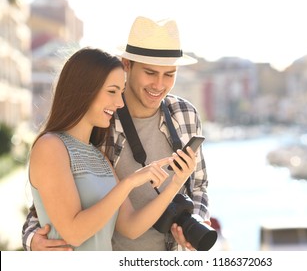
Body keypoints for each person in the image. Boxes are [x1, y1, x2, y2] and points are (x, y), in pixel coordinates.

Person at [22, 16, 211, 251]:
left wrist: (195, 219)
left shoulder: (185, 114)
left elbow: (199, 186)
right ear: (127, 65)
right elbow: (50, 198)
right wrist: (32, 239)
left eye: (169, 74)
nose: (159, 85)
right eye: (150, 73)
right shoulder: (99, 123)